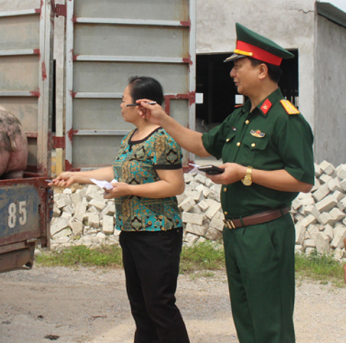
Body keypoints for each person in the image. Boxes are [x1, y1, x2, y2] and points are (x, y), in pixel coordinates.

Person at [137, 23, 314, 343]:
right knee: (246, 320)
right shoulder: (240, 117)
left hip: (266, 233)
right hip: (236, 232)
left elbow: (302, 180)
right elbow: (203, 145)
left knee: (270, 322)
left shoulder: (285, 119)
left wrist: (244, 173)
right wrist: (162, 119)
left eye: (238, 65)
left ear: (262, 70)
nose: (232, 72)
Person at [51, 76, 190, 343]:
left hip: (158, 233)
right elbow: (117, 172)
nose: (120, 106)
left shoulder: (163, 139)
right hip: (132, 231)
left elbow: (174, 186)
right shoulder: (131, 137)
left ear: (140, 107)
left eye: (123, 101)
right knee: (140, 307)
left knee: (159, 306)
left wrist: (129, 189)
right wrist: (77, 176)